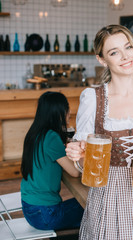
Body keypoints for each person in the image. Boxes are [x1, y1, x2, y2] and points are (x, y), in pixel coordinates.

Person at [65, 25, 133, 239]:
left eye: (128, 47)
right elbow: (83, 163)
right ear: (102, 59)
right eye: (114, 52)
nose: (125, 56)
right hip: (108, 194)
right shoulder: (93, 98)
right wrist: (79, 156)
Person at [20, 91, 84, 231]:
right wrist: (83, 154)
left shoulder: (35, 133)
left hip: (31, 208)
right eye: (67, 109)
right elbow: (74, 172)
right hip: (45, 214)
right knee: (94, 207)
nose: (69, 113)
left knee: (88, 205)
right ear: (58, 112)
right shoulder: (51, 137)